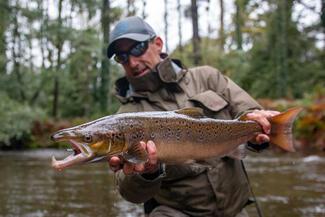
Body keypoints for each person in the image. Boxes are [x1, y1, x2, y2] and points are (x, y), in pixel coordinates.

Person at [106, 16, 278, 217]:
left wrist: (257, 130)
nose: (133, 62)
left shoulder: (207, 77)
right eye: (122, 57)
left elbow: (248, 112)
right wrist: (147, 173)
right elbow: (129, 193)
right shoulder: (123, 121)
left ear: (158, 44)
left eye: (137, 49)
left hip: (236, 209)